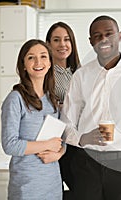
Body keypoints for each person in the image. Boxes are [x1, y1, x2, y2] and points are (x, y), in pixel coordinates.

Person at [60, 15, 121, 200]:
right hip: (86, 162)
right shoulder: (81, 76)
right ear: (90, 41)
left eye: (109, 33)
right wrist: (81, 138)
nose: (103, 39)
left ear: (119, 36)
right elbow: (66, 121)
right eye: (97, 35)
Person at [1, 39, 64, 200]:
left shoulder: (53, 100)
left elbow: (61, 140)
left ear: (50, 63)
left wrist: (60, 153)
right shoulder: (15, 99)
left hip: (53, 183)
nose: (38, 62)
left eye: (43, 56)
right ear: (23, 65)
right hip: (27, 186)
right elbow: (10, 145)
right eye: (31, 57)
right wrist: (47, 145)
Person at [46, 21, 80, 199]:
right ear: (49, 44)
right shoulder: (45, 73)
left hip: (78, 142)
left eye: (67, 39)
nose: (62, 44)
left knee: (81, 190)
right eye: (56, 40)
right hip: (56, 140)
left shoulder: (80, 72)